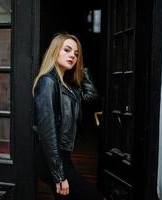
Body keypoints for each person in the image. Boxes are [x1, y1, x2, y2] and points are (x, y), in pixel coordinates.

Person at [33, 33, 104, 200]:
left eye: (76, 53)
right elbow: (47, 131)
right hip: (49, 157)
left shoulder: (68, 88)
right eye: (67, 50)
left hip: (61, 156)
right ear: (55, 51)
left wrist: (80, 68)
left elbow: (92, 97)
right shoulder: (47, 82)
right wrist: (59, 175)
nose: (72, 55)